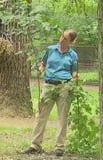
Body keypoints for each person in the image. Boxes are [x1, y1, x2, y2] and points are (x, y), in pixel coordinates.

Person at [22, 29, 78, 157]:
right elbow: (43, 64)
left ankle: (59, 147)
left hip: (64, 86)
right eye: (61, 36)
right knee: (41, 115)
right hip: (48, 85)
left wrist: (75, 81)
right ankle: (35, 145)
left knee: (62, 117)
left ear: (71, 42)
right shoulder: (50, 49)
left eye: (65, 39)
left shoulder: (73, 55)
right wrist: (40, 69)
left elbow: (74, 72)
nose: (61, 39)